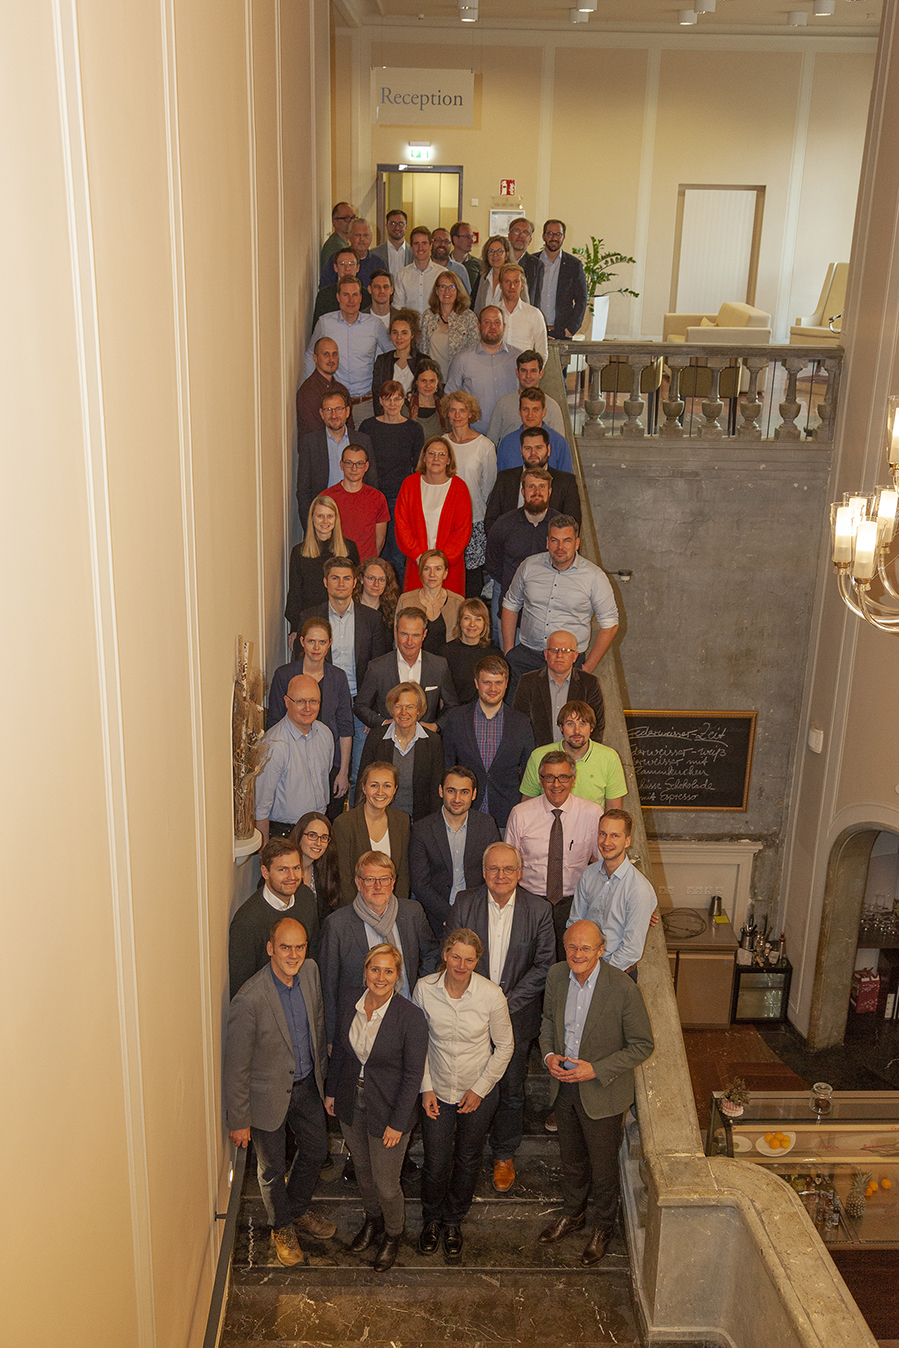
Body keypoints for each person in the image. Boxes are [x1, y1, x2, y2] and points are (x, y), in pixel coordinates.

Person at [538, 919, 654, 1265]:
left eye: (586, 948)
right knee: (571, 1160)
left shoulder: (622, 988)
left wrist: (596, 1069)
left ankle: (603, 1227)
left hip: (602, 1092)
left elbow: (642, 1045)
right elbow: (546, 1022)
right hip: (564, 1086)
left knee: (603, 1168)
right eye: (572, 947)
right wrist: (548, 1057)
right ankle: (573, 1215)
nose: (577, 954)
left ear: (601, 950)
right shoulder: (557, 976)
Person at [224, 916, 334, 1267]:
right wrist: (239, 1119)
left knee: (317, 1148)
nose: (293, 954)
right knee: (270, 1169)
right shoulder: (249, 999)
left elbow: (316, 1025)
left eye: (299, 946)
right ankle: (281, 1226)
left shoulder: (311, 973)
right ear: (271, 948)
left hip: (306, 1087)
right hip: (266, 1096)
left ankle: (297, 1209)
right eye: (285, 947)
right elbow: (236, 1065)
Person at [454, 842, 554, 1192]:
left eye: (508, 869)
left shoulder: (538, 910)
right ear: (483, 873)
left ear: (520, 872)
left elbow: (543, 966)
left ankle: (503, 1153)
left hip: (516, 1017)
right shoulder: (465, 904)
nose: (501, 876)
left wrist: (502, 1005)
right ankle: (464, 1148)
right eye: (494, 869)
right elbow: (451, 955)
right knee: (469, 1081)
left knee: (511, 1089)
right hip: (468, 1016)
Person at [325, 943, 429, 1271]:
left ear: (398, 977)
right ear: (366, 970)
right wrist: (331, 1092)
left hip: (389, 1109)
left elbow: (413, 1075)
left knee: (386, 1182)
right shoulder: (349, 1000)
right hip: (350, 1101)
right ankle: (373, 1221)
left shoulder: (410, 1017)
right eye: (375, 969)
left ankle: (393, 1233)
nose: (380, 977)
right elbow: (341, 1052)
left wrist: (398, 1123)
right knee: (364, 1173)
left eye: (388, 971)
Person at [413, 927, 514, 1261]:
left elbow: (505, 1047)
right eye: (455, 956)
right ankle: (431, 1219)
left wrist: (481, 1089)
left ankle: (454, 1221)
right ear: (445, 954)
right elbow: (418, 1044)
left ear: (477, 961)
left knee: (468, 1159)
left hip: (476, 1092)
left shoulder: (491, 995)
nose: (461, 964)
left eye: (469, 959)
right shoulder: (424, 989)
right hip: (438, 1090)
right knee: (436, 1160)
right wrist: (426, 1087)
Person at [317, 849, 438, 1044]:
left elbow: (432, 953)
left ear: (393, 882)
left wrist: (421, 992)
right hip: (360, 1026)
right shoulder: (337, 925)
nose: (378, 886)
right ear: (358, 883)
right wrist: (330, 1038)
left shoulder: (412, 913)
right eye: (370, 880)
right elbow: (328, 987)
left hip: (406, 1015)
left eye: (384, 879)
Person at [501, 515, 619, 694]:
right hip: (526, 658)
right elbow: (510, 604)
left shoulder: (594, 577)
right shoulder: (529, 566)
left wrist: (586, 668)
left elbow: (610, 624)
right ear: (547, 542)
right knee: (518, 718)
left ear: (577, 543)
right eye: (555, 540)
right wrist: (509, 650)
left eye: (567, 541)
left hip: (568, 663)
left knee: (563, 719)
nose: (560, 547)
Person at [504, 749, 603, 954]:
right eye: (549, 777)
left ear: (573, 780)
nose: (556, 784)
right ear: (541, 781)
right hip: (530, 903)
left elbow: (605, 864)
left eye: (563, 777)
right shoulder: (520, 814)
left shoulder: (592, 814)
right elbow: (509, 865)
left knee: (568, 965)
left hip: (574, 905)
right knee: (528, 961)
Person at [269, 619, 352, 816]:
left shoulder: (338, 677)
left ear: (330, 643)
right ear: (302, 641)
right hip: (292, 763)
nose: (316, 647)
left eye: (322, 642)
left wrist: (343, 772)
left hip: (331, 763)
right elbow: (274, 721)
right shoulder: (284, 675)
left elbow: (346, 727)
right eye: (311, 641)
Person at [442, 656, 534, 830]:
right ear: (477, 683)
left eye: (498, 682)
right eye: (487, 682)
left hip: (507, 813)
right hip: (463, 813)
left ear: (506, 683)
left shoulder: (521, 723)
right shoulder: (457, 719)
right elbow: (447, 764)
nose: (493, 689)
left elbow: (529, 770)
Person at [409, 766, 501, 939]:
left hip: (479, 914)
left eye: (464, 792)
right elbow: (420, 884)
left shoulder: (487, 825)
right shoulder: (422, 830)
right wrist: (450, 915)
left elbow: (494, 874)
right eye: (451, 791)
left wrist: (472, 913)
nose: (457, 798)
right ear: (441, 791)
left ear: (473, 794)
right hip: (435, 919)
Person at [229, 836, 325, 999]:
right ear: (265, 872)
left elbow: (313, 954)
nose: (292, 876)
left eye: (296, 868)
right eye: (282, 870)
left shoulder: (305, 897)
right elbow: (242, 988)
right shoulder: (247, 921)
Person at [568, 810, 659, 978]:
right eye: (602, 834)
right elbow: (575, 923)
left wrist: (597, 973)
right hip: (583, 969)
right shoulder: (588, 875)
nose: (606, 842)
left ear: (627, 841)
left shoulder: (639, 889)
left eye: (615, 836)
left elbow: (631, 950)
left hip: (618, 975)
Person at [359, 376, 425, 580]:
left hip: (400, 499)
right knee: (375, 553)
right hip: (372, 497)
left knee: (397, 555)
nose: (392, 404)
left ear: (404, 400)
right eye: (387, 399)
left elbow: (418, 466)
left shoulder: (413, 429)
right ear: (380, 401)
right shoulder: (368, 427)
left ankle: (397, 603)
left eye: (397, 399)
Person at [254, 675, 334, 844]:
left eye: (314, 701)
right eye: (300, 701)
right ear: (287, 701)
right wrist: (265, 852)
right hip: (286, 835)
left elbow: (324, 774)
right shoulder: (274, 744)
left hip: (319, 830)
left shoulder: (325, 734)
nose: (307, 708)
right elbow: (260, 807)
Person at [354, 606, 458, 732]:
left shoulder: (439, 666)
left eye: (415, 635)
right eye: (404, 634)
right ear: (396, 632)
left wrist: (435, 726)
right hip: (388, 742)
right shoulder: (377, 667)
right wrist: (383, 723)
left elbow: (452, 706)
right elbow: (360, 706)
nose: (409, 642)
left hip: (426, 743)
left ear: (424, 635)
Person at [305, 278, 392, 421]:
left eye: (355, 295)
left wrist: (382, 389)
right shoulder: (325, 323)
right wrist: (312, 389)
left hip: (366, 404)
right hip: (335, 406)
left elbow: (391, 355)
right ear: (338, 297)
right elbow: (310, 355)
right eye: (346, 295)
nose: (351, 300)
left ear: (361, 297)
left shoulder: (375, 325)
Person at [356, 681, 445, 821]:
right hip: (381, 819)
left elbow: (435, 790)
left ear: (419, 710)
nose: (404, 712)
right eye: (399, 706)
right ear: (392, 709)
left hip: (419, 821)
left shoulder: (433, 742)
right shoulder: (376, 737)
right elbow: (363, 781)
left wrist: (434, 824)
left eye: (410, 707)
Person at [394, 437, 472, 596]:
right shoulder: (409, 484)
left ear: (449, 460)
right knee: (415, 613)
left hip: (449, 568)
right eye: (431, 454)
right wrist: (420, 558)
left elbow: (462, 530)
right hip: (417, 565)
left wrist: (439, 564)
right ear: (424, 458)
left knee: (448, 614)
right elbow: (402, 524)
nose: (436, 459)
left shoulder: (459, 488)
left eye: (442, 455)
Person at [520, 700, 625, 811]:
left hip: (592, 827)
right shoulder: (539, 756)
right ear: (561, 727)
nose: (577, 731)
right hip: (547, 827)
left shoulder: (609, 758)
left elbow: (614, 812)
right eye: (570, 724)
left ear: (591, 728)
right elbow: (527, 806)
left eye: (583, 724)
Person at [333, 761, 411, 906]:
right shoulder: (344, 823)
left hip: (392, 907)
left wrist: (399, 911)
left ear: (395, 789)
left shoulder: (402, 820)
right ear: (363, 787)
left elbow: (403, 875)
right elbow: (344, 878)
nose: (380, 792)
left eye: (387, 786)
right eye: (374, 785)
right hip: (356, 908)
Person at [441, 390, 497, 596]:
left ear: (470, 414)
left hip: (474, 519)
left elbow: (488, 485)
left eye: (462, 410)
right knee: (446, 572)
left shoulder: (485, 446)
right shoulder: (440, 444)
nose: (457, 415)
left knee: (472, 575)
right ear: (447, 413)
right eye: (453, 410)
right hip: (446, 521)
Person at [296, 388, 375, 527]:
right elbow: (303, 490)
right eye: (328, 410)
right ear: (321, 413)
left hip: (357, 516)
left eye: (339, 409)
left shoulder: (363, 440)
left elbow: (372, 482)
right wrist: (310, 526)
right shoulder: (310, 443)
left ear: (347, 412)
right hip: (323, 520)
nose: (334, 415)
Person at [513, 629, 606, 746]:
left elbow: (597, 725)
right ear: (546, 655)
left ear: (575, 656)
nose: (559, 655)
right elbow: (520, 723)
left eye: (566, 650)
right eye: (554, 650)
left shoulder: (589, 683)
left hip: (577, 757)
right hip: (539, 756)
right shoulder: (528, 682)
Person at [484, 426, 581, 536]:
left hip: (550, 549)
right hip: (511, 548)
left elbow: (573, 525)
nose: (533, 453)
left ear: (548, 450)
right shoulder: (505, 478)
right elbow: (491, 521)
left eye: (538, 448)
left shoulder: (566, 482)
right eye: (528, 448)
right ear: (521, 451)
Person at [485, 466, 558, 610]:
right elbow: (493, 564)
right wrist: (512, 582)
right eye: (531, 487)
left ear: (549, 492)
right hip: (510, 605)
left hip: (549, 608)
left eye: (542, 486)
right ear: (523, 492)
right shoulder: (504, 524)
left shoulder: (561, 526)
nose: (537, 492)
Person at [285, 494, 360, 630]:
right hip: (310, 623)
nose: (325, 521)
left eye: (330, 516)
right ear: (312, 518)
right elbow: (295, 593)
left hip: (343, 620)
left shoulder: (349, 549)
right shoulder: (299, 552)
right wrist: (295, 628)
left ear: (336, 519)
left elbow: (356, 589)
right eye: (320, 516)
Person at [444, 307, 519, 435]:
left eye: (497, 322)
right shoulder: (462, 359)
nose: (492, 327)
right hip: (474, 436)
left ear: (504, 326)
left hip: (512, 434)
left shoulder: (518, 358)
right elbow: (450, 398)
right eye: (487, 322)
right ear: (478, 325)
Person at [325, 444, 390, 563]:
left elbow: (380, 539)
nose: (354, 469)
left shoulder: (378, 498)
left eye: (359, 464)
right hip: (336, 566)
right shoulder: (327, 498)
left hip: (365, 568)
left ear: (366, 466)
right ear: (341, 465)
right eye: (349, 463)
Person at [487, 348, 565, 445]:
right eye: (524, 370)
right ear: (517, 373)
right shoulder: (503, 404)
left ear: (540, 373)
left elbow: (558, 445)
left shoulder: (552, 407)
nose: (528, 376)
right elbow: (490, 442)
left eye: (533, 371)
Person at [395, 548, 464, 654]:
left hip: (448, 664)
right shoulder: (405, 600)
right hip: (414, 662)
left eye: (438, 569)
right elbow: (397, 640)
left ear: (445, 573)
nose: (432, 574)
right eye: (427, 569)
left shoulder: (458, 602)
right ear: (420, 572)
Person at [529, 219, 588, 341]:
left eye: (558, 234)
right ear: (543, 236)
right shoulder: (531, 262)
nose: (554, 237)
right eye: (550, 233)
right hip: (534, 330)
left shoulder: (574, 265)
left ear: (563, 237)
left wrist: (572, 328)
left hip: (562, 332)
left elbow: (581, 298)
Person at [439, 596, 503, 703]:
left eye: (478, 619)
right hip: (455, 713)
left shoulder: (495, 654)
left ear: (485, 623)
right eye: (467, 618)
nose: (472, 624)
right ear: (459, 621)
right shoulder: (446, 652)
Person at [419, 271, 479, 379]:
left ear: (458, 290)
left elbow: (474, 352)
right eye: (442, 287)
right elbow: (423, 350)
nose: (447, 291)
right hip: (432, 380)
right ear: (437, 291)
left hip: (459, 379)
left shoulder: (469, 317)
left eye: (452, 287)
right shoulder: (428, 315)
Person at [495, 388, 572, 472]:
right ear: (519, 412)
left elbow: (566, 481)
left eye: (535, 409)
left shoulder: (559, 443)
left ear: (543, 412)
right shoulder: (507, 443)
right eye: (525, 409)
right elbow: (502, 480)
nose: (530, 415)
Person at [296, 336, 353, 440]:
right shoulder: (308, 391)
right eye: (326, 354)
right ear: (315, 358)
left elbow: (350, 428)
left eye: (334, 354)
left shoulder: (342, 390)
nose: (331, 359)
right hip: (318, 451)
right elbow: (316, 429)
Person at [370, 310, 425, 415]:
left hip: (417, 417)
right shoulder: (382, 361)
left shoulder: (423, 361)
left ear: (412, 334)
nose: (399, 337)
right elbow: (377, 396)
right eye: (395, 332)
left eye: (404, 333)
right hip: (388, 418)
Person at [497, 263, 547, 361]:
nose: (512, 286)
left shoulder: (534, 314)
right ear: (500, 285)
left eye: (516, 282)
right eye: (507, 281)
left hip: (524, 373)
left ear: (522, 286)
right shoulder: (493, 313)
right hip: (496, 373)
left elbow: (542, 352)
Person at [312, 247, 373, 325]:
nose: (347, 268)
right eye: (342, 264)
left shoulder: (366, 296)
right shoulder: (324, 295)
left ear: (357, 268)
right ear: (335, 267)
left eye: (351, 264)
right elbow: (317, 329)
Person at [395, 226, 442, 316]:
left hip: (436, 327)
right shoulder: (402, 275)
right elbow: (398, 308)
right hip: (410, 328)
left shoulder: (441, 274)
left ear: (431, 245)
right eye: (416, 243)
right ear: (411, 246)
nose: (420, 248)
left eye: (424, 243)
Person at [320, 217, 377, 289]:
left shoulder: (378, 263)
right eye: (357, 235)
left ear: (371, 238)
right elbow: (324, 287)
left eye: (366, 235)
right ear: (349, 236)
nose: (362, 239)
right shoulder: (337, 258)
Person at [355, 555, 400, 637]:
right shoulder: (350, 607)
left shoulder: (392, 611)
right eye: (371, 578)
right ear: (361, 579)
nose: (376, 584)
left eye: (381, 580)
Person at [473, 234, 513, 313]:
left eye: (499, 251)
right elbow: (477, 308)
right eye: (491, 251)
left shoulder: (515, 278)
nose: (495, 255)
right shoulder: (484, 278)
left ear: (506, 255)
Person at [407, 360, 445, 437]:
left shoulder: (444, 409)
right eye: (423, 380)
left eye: (432, 381)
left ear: (437, 382)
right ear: (416, 382)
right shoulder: (403, 407)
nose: (428, 385)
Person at [371, 207, 412, 279]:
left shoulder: (414, 253)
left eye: (400, 224)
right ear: (386, 226)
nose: (397, 228)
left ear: (406, 227)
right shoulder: (374, 253)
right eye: (392, 223)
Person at [430, 225, 472, 294]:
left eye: (446, 241)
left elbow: (466, 299)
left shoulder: (460, 270)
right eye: (438, 240)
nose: (442, 244)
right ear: (431, 243)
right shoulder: (424, 269)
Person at [321, 201, 356, 268]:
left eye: (353, 217)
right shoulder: (334, 246)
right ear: (335, 222)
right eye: (347, 218)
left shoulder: (344, 244)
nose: (352, 221)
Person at [449, 220, 480, 294]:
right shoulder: (444, 264)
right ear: (455, 239)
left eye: (472, 236)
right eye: (467, 237)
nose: (472, 241)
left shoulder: (478, 265)